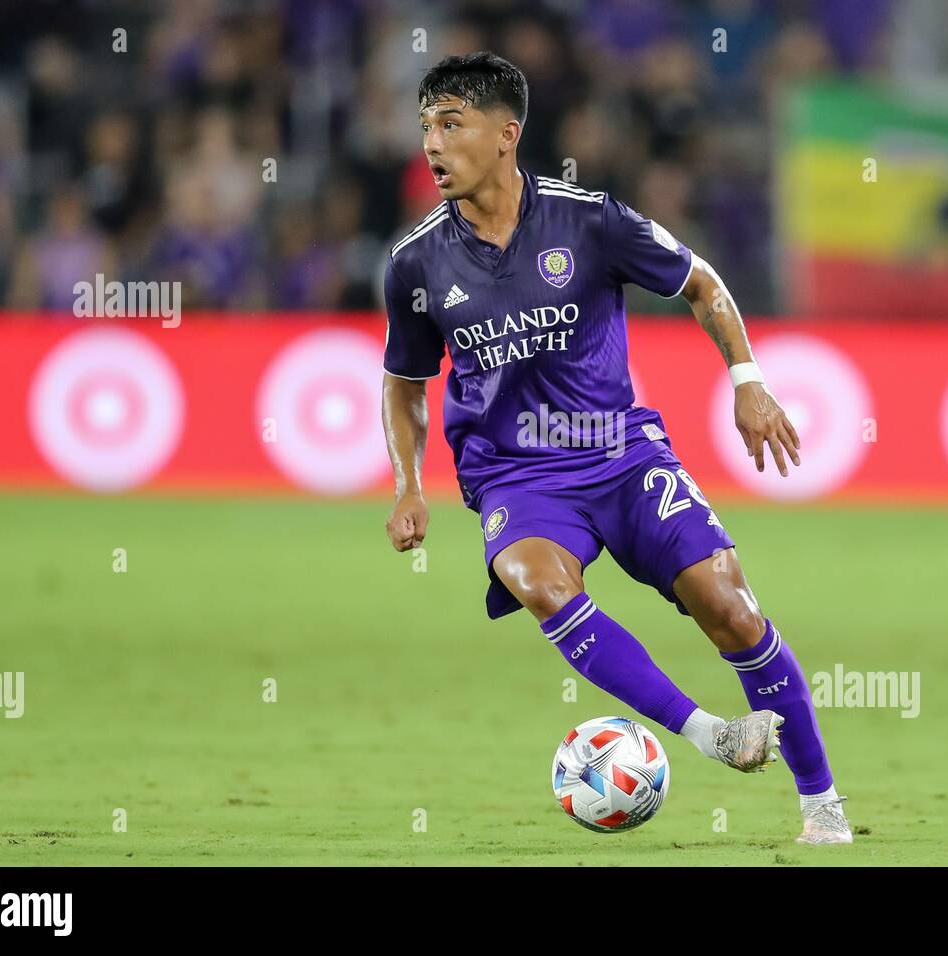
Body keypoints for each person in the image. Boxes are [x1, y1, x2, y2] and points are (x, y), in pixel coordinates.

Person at [381, 52, 850, 844]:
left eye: (451, 123)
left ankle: (823, 807)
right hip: (517, 474)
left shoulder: (590, 220)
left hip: (619, 454)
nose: (433, 143)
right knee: (537, 581)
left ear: (506, 134)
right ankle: (711, 733)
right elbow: (403, 380)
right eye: (426, 124)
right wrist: (408, 483)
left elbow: (702, 282)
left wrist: (748, 380)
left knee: (730, 609)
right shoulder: (415, 263)